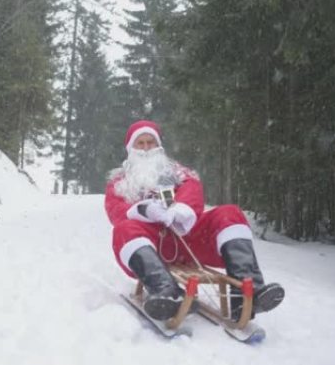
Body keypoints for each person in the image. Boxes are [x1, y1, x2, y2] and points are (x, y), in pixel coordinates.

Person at [105, 120, 285, 321]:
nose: (146, 149)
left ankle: (247, 291)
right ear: (131, 148)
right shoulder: (120, 182)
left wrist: (179, 210)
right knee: (124, 230)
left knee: (229, 213)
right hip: (153, 246)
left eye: (151, 143)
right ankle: (167, 292)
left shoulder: (178, 173)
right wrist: (144, 210)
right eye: (141, 143)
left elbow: (192, 191)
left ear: (159, 146)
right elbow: (115, 210)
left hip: (190, 241)